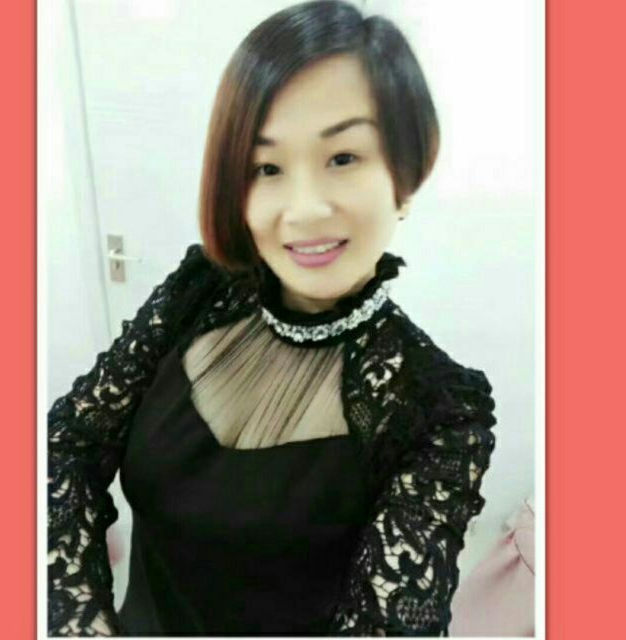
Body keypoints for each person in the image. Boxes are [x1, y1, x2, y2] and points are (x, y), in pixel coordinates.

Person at [47, 0, 497, 636]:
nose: (304, 209)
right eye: (267, 168)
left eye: (343, 157)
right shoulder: (201, 290)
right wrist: (82, 621)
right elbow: (65, 446)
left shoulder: (438, 410)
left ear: (406, 174)